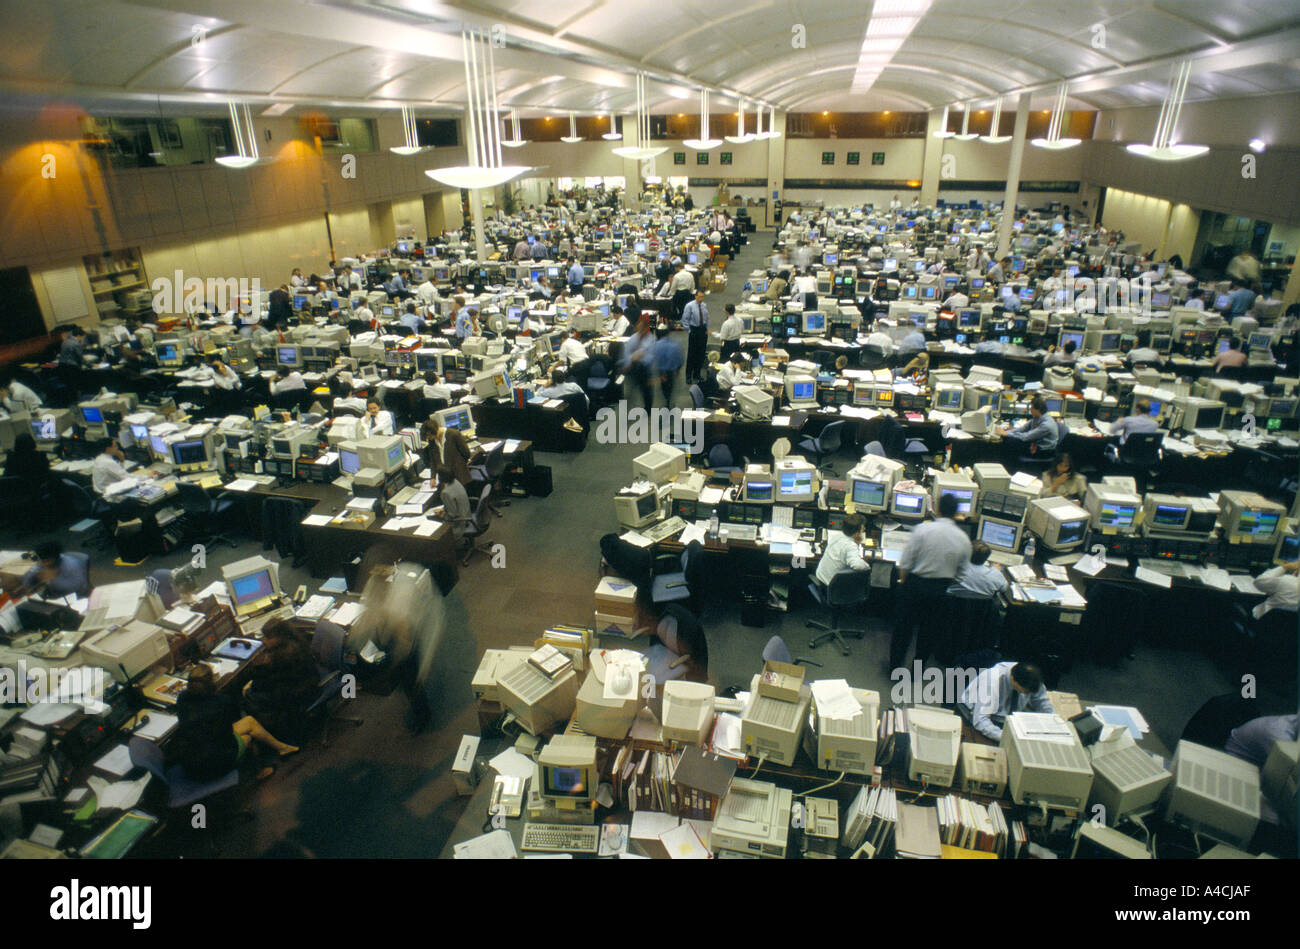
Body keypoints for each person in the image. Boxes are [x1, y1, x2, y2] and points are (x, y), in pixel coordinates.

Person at [351, 552, 446, 731]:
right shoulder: (375, 581)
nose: (376, 575)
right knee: (404, 676)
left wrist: (397, 657)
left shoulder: (404, 586)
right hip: (390, 632)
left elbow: (405, 631)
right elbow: (369, 606)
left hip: (409, 636)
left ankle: (423, 715)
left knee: (411, 679)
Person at [169, 663, 297, 783]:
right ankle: (256, 772)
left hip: (191, 759)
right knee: (248, 737)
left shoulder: (182, 698)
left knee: (249, 722)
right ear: (211, 682)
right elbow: (227, 733)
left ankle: (282, 748)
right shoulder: (221, 702)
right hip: (212, 763)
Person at [890, 493, 972, 670]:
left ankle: (895, 667)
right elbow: (962, 575)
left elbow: (905, 563)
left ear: (937, 509)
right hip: (940, 592)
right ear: (956, 513)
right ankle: (917, 671)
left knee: (903, 631)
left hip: (914, 586)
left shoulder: (922, 530)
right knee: (928, 634)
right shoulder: (964, 539)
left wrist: (904, 584)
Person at [240, 619, 317, 747]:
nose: (263, 640)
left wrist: (256, 669)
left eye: (268, 638)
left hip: (293, 693)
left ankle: (263, 732)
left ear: (280, 637)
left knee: (248, 695)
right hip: (304, 683)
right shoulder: (294, 643)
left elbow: (267, 682)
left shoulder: (283, 656)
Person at [958, 661, 1055, 742]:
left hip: (1005, 720)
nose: (1029, 695)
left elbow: (1042, 703)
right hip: (973, 718)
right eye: (1026, 692)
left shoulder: (1031, 678)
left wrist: (1054, 723)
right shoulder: (991, 681)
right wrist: (1008, 739)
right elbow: (980, 720)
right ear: (1013, 679)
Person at [1224, 714, 1299, 768]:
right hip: (1236, 760)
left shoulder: (1295, 721)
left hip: (1260, 761)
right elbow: (1288, 768)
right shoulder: (1280, 736)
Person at [815, 514, 869, 587]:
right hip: (830, 585)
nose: (864, 528)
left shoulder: (837, 536)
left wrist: (856, 541)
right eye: (862, 529)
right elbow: (857, 565)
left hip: (821, 577)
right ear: (857, 533)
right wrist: (867, 567)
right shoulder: (850, 546)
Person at [19, 541, 85, 598]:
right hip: (52, 594)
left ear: (56, 558)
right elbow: (26, 582)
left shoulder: (72, 565)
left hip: (73, 596)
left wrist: (54, 579)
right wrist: (36, 578)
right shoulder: (41, 563)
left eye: (48, 561)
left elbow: (78, 586)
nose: (45, 564)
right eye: (42, 561)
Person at [422, 413, 473, 485]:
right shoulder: (432, 441)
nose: (428, 438)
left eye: (429, 436)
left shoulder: (454, 434)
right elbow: (433, 460)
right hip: (445, 479)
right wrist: (433, 477)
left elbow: (466, 453)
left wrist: (459, 464)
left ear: (433, 431)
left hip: (460, 476)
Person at [619, 312, 656, 409]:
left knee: (647, 393)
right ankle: (628, 410)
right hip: (632, 368)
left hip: (645, 370)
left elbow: (651, 357)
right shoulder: (633, 338)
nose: (640, 328)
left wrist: (640, 357)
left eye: (643, 326)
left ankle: (648, 410)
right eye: (639, 325)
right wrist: (630, 360)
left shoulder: (651, 339)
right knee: (628, 393)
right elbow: (627, 353)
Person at [433, 466, 472, 541]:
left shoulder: (446, 493)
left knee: (433, 521)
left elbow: (453, 515)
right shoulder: (456, 482)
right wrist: (444, 509)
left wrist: (442, 515)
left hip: (459, 523)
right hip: (466, 514)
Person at [651, 327, 685, 407]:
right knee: (671, 387)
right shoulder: (675, 344)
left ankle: (667, 401)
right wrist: (678, 368)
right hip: (672, 372)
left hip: (661, 372)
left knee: (664, 388)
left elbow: (654, 359)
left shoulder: (656, 345)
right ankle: (669, 402)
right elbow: (680, 359)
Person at [681, 289, 709, 384]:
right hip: (694, 330)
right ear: (695, 296)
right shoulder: (689, 306)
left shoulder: (704, 305)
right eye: (700, 296)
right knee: (692, 354)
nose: (701, 298)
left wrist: (707, 329)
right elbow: (685, 320)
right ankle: (688, 376)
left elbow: (706, 318)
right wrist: (689, 330)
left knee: (701, 354)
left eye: (703, 297)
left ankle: (697, 374)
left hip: (703, 331)